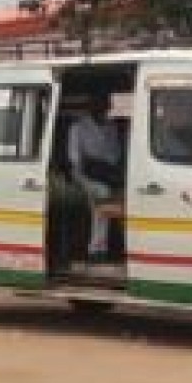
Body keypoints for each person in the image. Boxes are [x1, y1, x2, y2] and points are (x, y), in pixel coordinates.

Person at [67, 93, 123, 261]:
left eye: (106, 106)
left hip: (106, 171)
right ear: (91, 107)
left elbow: (116, 154)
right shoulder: (78, 127)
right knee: (102, 192)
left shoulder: (111, 126)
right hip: (82, 173)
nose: (104, 109)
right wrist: (95, 166)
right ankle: (97, 248)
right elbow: (74, 158)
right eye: (100, 105)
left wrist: (107, 167)